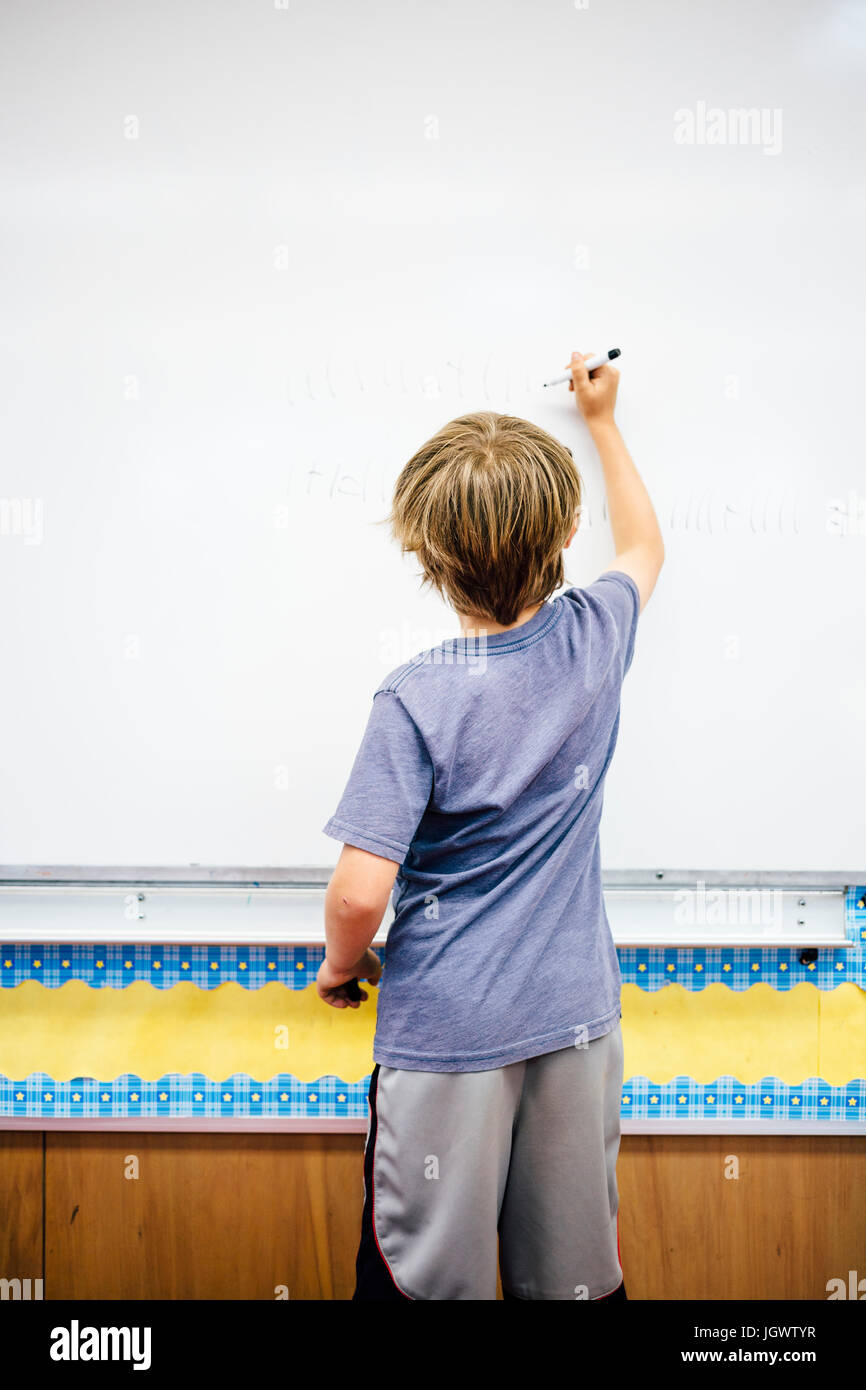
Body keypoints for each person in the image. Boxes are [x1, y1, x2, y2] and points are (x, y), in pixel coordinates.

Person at [318, 350, 665, 1300]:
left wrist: (339, 968)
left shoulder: (415, 698)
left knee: (433, 1285)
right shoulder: (596, 638)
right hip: (576, 1025)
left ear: (426, 556)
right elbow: (645, 549)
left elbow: (358, 895)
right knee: (576, 1282)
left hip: (447, 1040)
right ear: (562, 535)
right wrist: (602, 422)